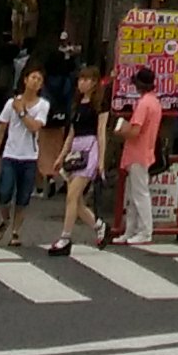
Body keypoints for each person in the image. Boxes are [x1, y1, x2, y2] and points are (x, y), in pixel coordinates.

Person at [0, 64, 50, 252]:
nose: (35, 82)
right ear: (25, 80)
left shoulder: (43, 105)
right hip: (11, 154)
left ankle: (16, 231)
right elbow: (1, 128)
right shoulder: (11, 103)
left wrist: (22, 112)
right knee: (4, 192)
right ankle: (5, 219)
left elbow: (35, 126)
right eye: (33, 78)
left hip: (29, 156)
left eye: (39, 80)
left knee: (23, 197)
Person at [112, 66, 166, 249]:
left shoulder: (143, 104)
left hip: (137, 152)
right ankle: (132, 230)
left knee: (139, 194)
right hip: (145, 151)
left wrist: (121, 130)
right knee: (134, 193)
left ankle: (144, 231)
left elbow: (135, 131)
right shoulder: (154, 102)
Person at [50, 83, 103, 258]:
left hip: (90, 148)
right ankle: (100, 226)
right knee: (77, 201)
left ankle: (65, 237)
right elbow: (71, 133)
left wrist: (101, 160)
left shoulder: (99, 105)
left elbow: (101, 133)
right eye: (81, 79)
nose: (82, 83)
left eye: (87, 79)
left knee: (72, 196)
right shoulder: (77, 104)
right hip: (76, 150)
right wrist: (61, 156)